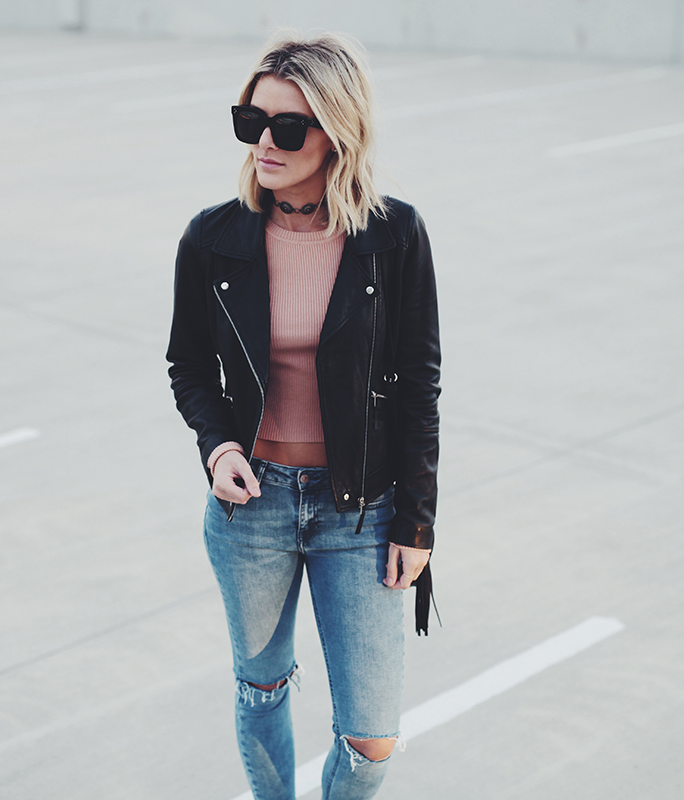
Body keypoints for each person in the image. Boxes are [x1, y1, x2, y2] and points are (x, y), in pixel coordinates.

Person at [166, 30, 440, 800]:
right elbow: (190, 366)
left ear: (337, 133)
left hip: (362, 512)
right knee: (261, 691)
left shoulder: (392, 237)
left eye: (288, 127)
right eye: (251, 121)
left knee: (371, 739)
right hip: (252, 507)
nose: (264, 142)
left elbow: (420, 387)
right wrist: (219, 448)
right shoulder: (212, 239)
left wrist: (417, 523)